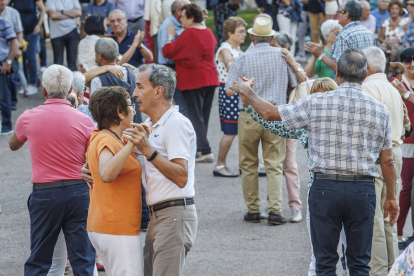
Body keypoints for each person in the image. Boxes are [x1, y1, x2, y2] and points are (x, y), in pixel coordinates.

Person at [230, 47, 399, 275]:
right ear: (365, 73)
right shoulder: (379, 110)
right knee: (359, 263)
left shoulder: (316, 103)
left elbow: (271, 114)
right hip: (363, 188)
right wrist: (391, 196)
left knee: (325, 262)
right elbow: (387, 161)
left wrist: (248, 93)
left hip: (325, 187)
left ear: (337, 72)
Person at [84, 64, 197, 276]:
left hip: (173, 213)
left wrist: (148, 151)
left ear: (158, 91)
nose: (135, 94)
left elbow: (182, 177)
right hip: (157, 216)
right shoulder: (150, 125)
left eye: (139, 87)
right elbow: (112, 158)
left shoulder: (175, 124)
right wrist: (90, 166)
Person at [241, 76, 340, 276]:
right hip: (320, 191)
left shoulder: (345, 122)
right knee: (319, 253)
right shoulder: (307, 122)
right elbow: (274, 125)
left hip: (342, 190)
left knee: (349, 253)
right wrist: (249, 106)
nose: (320, 102)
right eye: (316, 97)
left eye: (325, 97)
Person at [8, 65, 96, 276]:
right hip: (79, 192)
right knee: (83, 259)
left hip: (45, 193)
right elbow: (91, 156)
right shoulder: (85, 121)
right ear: (69, 92)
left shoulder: (28, 117)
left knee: (39, 260)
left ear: (44, 91)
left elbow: (13, 144)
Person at [226, 16, 297, 225]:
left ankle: (253, 210)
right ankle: (275, 210)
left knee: (248, 164)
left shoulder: (242, 58)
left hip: (249, 114)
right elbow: (294, 84)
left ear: (252, 36)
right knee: (274, 164)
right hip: (275, 113)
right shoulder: (281, 56)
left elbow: (229, 91)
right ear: (272, 37)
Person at [86, 86, 143, 276]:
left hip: (105, 225)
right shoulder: (107, 140)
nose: (133, 110)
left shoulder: (105, 137)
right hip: (117, 227)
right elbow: (107, 174)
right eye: (129, 105)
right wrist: (132, 144)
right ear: (120, 112)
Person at [362, 46, 404, 275]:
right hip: (394, 153)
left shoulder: (368, 88)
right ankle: (392, 268)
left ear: (366, 67)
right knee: (390, 214)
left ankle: (378, 270)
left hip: (380, 155)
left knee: (376, 217)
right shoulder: (390, 88)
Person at [163, 3, 219, 163]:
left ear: (191, 17)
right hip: (209, 78)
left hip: (194, 80)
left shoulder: (188, 33)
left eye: (183, 17)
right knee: (203, 117)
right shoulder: (207, 31)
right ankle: (202, 147)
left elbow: (169, 51)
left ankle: (205, 150)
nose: (180, 20)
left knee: (195, 116)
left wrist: (170, 36)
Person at [271, 31, 305, 223]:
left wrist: (292, 62)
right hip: (272, 118)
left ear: (284, 48)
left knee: (288, 163)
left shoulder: (292, 63)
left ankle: (295, 206)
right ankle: (274, 204)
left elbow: (304, 81)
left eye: (273, 44)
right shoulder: (268, 60)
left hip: (288, 119)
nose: (270, 46)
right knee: (272, 163)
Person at [214, 16, 246, 177]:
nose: (244, 34)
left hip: (239, 91)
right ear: (229, 33)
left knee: (242, 130)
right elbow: (230, 64)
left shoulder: (240, 50)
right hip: (228, 91)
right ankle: (220, 165)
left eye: (244, 31)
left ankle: (244, 164)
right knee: (230, 131)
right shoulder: (225, 48)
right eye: (240, 31)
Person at [305, 0, 375, 73]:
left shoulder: (343, 36)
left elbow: (340, 68)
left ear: (346, 15)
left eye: (339, 12)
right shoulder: (369, 34)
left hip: (348, 83)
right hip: (365, 80)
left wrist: (321, 54)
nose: (337, 15)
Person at [390, 47, 414, 248]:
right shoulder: (394, 83)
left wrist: (405, 93)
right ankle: (398, 232)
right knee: (405, 188)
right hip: (405, 141)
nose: (412, 64)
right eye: (407, 60)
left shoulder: (400, 86)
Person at [89, 37, 143, 124]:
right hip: (134, 128)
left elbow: (95, 112)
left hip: (110, 131)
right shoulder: (133, 73)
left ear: (100, 56)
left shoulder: (97, 80)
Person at [157, 0, 191, 117]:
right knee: (181, 105)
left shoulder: (180, 24)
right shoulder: (168, 25)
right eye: (188, 7)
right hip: (170, 68)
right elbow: (165, 52)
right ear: (178, 11)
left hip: (179, 67)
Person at [11, 0, 45, 96]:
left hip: (33, 30)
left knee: (31, 56)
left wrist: (39, 25)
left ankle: (33, 84)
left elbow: (43, 9)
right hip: (20, 31)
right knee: (23, 57)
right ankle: (25, 84)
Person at [46, 0, 81, 71]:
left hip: (72, 30)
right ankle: (58, 82)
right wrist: (71, 14)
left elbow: (78, 12)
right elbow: (53, 15)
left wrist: (62, 12)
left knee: (72, 62)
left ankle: (73, 81)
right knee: (58, 63)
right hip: (56, 33)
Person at [0, 0, 22, 110]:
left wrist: (19, 48)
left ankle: (13, 102)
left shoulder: (14, 13)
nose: (3, 1)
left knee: (13, 79)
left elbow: (19, 31)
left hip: (11, 53)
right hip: (3, 54)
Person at [0, 18, 18, 136]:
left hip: (2, 67)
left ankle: (7, 126)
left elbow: (15, 43)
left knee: (4, 98)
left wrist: (8, 62)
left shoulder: (3, 24)